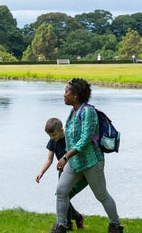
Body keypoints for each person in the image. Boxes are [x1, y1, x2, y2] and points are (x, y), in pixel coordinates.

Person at [53, 78, 123, 233]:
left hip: (91, 162)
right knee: (61, 191)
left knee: (101, 195)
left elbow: (85, 139)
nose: (64, 95)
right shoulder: (73, 112)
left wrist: (65, 157)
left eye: (66, 92)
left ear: (75, 96)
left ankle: (115, 225)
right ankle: (61, 225)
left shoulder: (88, 112)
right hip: (75, 162)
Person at [36, 118, 86, 231]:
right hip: (61, 172)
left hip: (73, 171)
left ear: (62, 130)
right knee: (62, 196)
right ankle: (75, 219)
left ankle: (69, 222)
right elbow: (49, 159)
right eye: (50, 136)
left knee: (65, 196)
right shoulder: (53, 140)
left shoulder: (69, 139)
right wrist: (41, 172)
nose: (52, 138)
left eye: (54, 135)